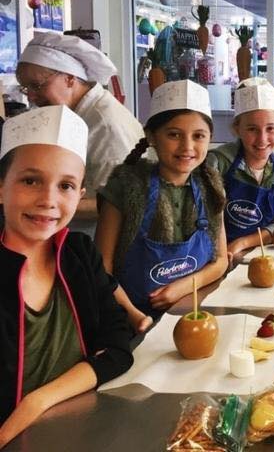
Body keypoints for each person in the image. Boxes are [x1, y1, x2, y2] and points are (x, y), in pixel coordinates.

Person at [0, 106, 132, 446]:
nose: (48, 200)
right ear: (1, 188)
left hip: (82, 425)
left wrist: (38, 400)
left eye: (66, 186)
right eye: (31, 181)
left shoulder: (78, 254)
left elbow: (117, 345)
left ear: (80, 195)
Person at [94, 81, 228, 332]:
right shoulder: (126, 187)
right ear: (152, 136)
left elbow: (220, 261)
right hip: (131, 320)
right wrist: (133, 316)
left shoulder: (212, 188)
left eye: (198, 136)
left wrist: (184, 286)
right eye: (174, 134)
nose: (187, 146)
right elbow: (103, 270)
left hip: (195, 316)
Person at [15, 32, 145, 216]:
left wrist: (39, 205)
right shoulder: (74, 114)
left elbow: (121, 201)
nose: (30, 97)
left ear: (69, 78)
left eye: (37, 85)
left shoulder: (105, 125)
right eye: (25, 88)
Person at [208, 78, 274, 258]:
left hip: (266, 254)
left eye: (270, 129)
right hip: (217, 253)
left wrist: (242, 243)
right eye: (252, 129)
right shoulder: (218, 162)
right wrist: (223, 252)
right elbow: (208, 219)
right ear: (237, 128)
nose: (262, 139)